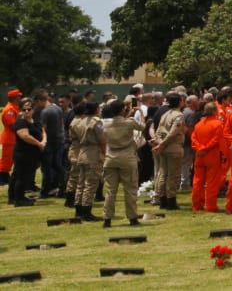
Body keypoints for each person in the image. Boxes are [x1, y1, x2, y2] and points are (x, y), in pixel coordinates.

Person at [100, 99, 145, 227]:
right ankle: (132, 218)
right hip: (127, 157)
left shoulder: (106, 125)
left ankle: (107, 218)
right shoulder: (129, 122)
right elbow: (142, 127)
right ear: (122, 109)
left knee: (110, 190)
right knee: (130, 189)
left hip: (111, 157)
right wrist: (140, 113)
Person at [68, 100, 105, 221]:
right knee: (91, 183)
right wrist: (105, 153)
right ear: (96, 110)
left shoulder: (81, 121)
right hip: (93, 152)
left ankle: (78, 208)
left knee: (81, 183)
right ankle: (87, 210)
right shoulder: (97, 122)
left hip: (82, 151)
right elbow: (102, 140)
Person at [152, 93, 187, 210]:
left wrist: (159, 143)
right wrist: (162, 144)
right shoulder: (179, 115)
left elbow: (158, 131)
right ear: (179, 102)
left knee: (163, 173)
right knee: (173, 175)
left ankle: (162, 199)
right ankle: (171, 201)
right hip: (173, 147)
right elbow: (174, 132)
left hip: (164, 148)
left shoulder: (165, 114)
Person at [8, 97, 43, 206]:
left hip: (32, 154)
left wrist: (44, 141)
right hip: (23, 154)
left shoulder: (34, 120)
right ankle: (18, 199)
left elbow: (42, 131)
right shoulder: (20, 122)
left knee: (24, 176)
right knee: (21, 177)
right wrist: (39, 143)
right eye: (24, 109)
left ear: (33, 109)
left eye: (29, 109)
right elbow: (25, 136)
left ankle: (17, 196)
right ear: (20, 110)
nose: (27, 111)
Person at [190, 102, 224, 213]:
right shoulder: (218, 124)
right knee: (212, 182)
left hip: (199, 155)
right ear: (215, 111)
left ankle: (196, 205)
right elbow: (216, 140)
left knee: (197, 181)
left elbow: (193, 138)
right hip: (211, 155)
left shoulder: (199, 124)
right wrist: (205, 148)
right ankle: (210, 206)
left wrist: (200, 148)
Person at [37, 90, 65, 199]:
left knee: (46, 168)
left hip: (49, 142)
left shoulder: (45, 112)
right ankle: (63, 186)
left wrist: (42, 142)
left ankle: (45, 191)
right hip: (59, 140)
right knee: (57, 166)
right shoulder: (57, 108)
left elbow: (43, 129)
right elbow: (61, 123)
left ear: (39, 101)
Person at [0, 89, 21, 188]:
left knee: (10, 159)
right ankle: (2, 178)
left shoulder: (14, 107)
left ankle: (5, 177)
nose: (20, 98)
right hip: (9, 138)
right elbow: (12, 125)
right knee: (7, 159)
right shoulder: (9, 110)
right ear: (14, 98)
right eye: (18, 96)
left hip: (13, 138)